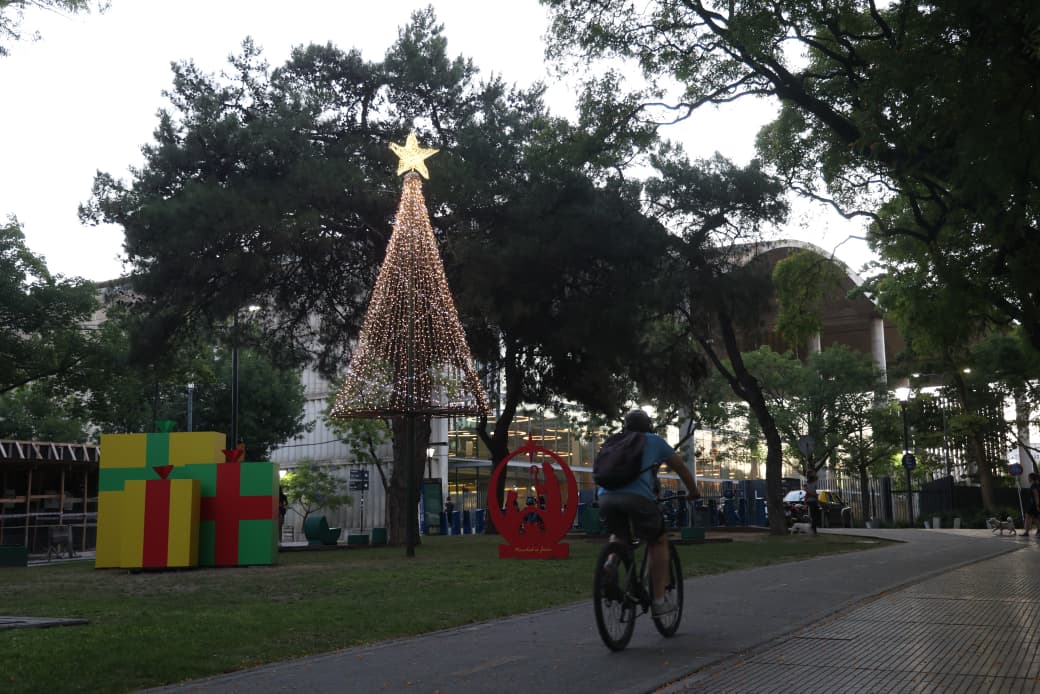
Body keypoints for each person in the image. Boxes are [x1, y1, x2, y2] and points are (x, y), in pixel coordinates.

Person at [598, 409, 700, 617]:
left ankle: (610, 563)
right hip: (637, 499)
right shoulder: (654, 441)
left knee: (619, 535)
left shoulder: (612, 442)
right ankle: (659, 601)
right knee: (658, 540)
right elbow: (681, 468)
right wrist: (694, 492)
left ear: (625, 426)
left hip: (606, 498)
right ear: (649, 426)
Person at [1022, 472, 1040, 537]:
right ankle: (1038, 530)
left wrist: (1037, 505)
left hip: (1034, 504)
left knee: (1028, 516)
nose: (1028, 479)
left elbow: (1036, 495)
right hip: (1035, 504)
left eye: (1029, 477)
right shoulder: (1037, 485)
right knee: (1035, 518)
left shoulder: (1034, 486)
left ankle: (1026, 532)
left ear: (1031, 478)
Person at [803, 469, 820, 536]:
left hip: (814, 500)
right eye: (813, 473)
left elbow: (814, 491)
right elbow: (807, 492)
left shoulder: (815, 482)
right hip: (810, 501)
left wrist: (816, 497)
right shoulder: (806, 483)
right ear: (810, 474)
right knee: (813, 516)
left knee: (816, 516)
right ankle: (813, 531)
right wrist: (813, 494)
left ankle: (813, 529)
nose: (814, 474)